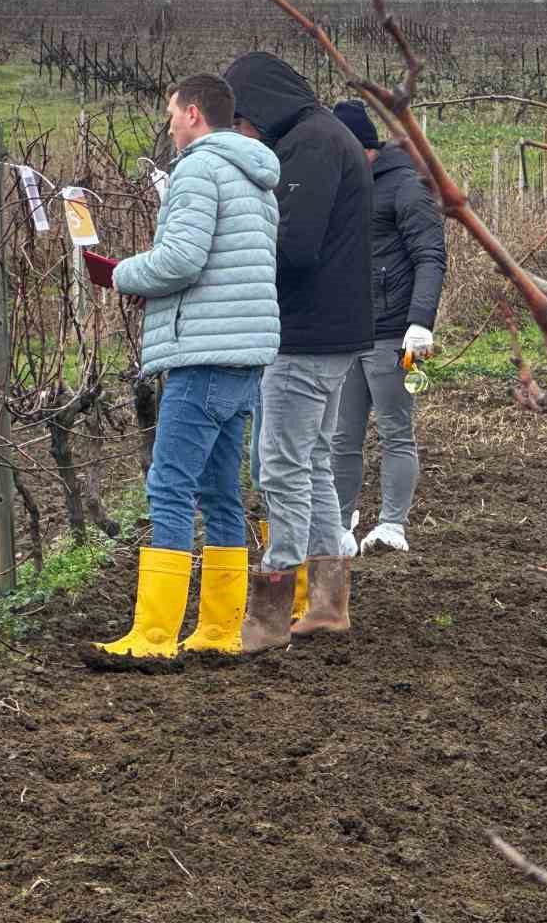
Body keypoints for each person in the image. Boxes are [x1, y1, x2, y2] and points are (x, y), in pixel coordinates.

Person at [83, 74, 280, 669]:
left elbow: (182, 259)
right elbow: (225, 265)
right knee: (221, 492)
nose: (167, 124)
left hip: (202, 355)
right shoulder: (256, 174)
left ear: (193, 113)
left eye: (171, 113)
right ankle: (219, 628)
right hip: (244, 352)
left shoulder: (198, 168)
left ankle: (155, 635)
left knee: (169, 487)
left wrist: (118, 274)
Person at [224, 53, 373, 652]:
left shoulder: (309, 146)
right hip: (336, 333)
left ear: (257, 107)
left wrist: (235, 249)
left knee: (281, 466)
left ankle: (268, 613)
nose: (241, 135)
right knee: (310, 461)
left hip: (304, 335)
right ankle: (329, 604)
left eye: (240, 121)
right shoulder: (325, 135)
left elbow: (296, 245)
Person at [331, 100, 446, 554]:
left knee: (396, 430)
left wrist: (420, 322)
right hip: (345, 332)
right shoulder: (344, 186)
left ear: (361, 147)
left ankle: (392, 525)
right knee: (342, 436)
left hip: (394, 333)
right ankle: (339, 526)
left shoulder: (405, 187)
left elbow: (430, 256)